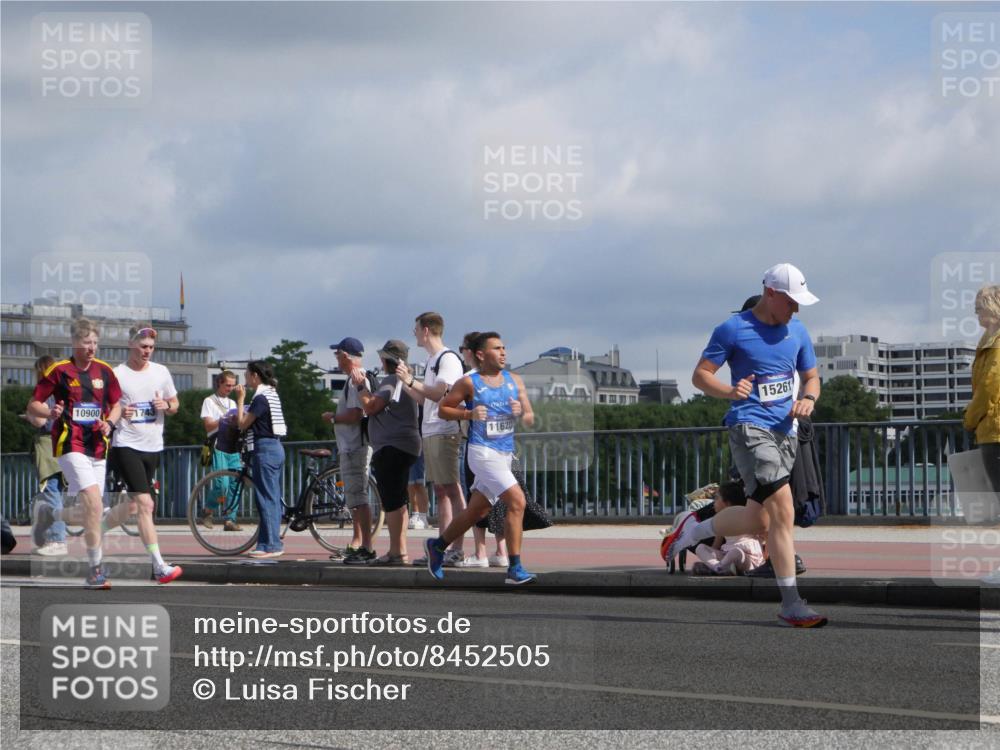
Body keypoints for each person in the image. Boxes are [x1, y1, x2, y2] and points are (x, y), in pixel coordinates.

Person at [665, 263, 827, 627]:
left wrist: (809, 399)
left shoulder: (797, 331)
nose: (796, 309)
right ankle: (792, 603)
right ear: (770, 293)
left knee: (760, 518)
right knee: (783, 509)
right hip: (749, 428)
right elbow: (700, 375)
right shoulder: (733, 329)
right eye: (791, 301)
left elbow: (812, 377)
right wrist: (729, 390)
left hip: (786, 431)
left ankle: (693, 529)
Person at [428, 332, 537, 584]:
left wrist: (522, 412)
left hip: (504, 454)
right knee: (517, 502)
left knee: (477, 510)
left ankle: (437, 546)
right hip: (481, 453)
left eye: (504, 347)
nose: (503, 352)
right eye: (497, 348)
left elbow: (530, 417)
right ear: (480, 354)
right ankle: (515, 568)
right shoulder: (469, 383)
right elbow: (443, 410)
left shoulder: (514, 380)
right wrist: (469, 414)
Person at [28, 317, 122, 588]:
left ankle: (51, 517)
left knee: (92, 510)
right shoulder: (59, 371)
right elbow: (33, 404)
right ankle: (96, 570)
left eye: (95, 342)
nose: (91, 347)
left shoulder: (105, 371)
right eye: (86, 342)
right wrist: (50, 411)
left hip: (98, 445)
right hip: (69, 444)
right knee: (93, 500)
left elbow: (116, 404)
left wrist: (111, 422)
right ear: (74, 342)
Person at [107, 325, 183, 584]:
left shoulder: (161, 372)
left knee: (133, 505)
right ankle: (159, 565)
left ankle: (97, 529)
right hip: (125, 445)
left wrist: (167, 406)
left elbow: (175, 403)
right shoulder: (117, 374)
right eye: (143, 346)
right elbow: (107, 406)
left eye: (151, 347)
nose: (147, 351)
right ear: (131, 344)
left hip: (153, 446)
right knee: (146, 505)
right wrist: (119, 414)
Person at [396, 312, 467, 566]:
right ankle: (443, 546)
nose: (413, 333)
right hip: (432, 429)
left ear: (426, 330)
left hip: (445, 430)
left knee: (451, 489)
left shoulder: (447, 360)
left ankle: (454, 549)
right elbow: (425, 399)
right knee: (442, 490)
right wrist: (406, 383)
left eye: (415, 329)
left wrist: (411, 380)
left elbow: (439, 394)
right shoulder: (432, 360)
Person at [356, 340, 421, 565]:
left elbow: (371, 406)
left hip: (392, 446)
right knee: (400, 500)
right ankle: (400, 548)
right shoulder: (408, 380)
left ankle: (396, 552)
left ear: (387, 359)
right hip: (408, 445)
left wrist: (360, 387)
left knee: (392, 502)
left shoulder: (392, 380)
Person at [454, 331, 509, 569]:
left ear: (472, 352)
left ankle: (480, 553)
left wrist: (466, 414)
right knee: (500, 498)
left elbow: (447, 406)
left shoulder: (469, 378)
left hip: (478, 445)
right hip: (502, 446)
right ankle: (502, 551)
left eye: (462, 349)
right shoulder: (504, 378)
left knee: (476, 499)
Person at [323, 337, 376, 564]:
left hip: (355, 446)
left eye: (338, 355)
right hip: (354, 445)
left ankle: (366, 546)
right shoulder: (354, 379)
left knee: (359, 498)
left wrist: (333, 418)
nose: (336, 359)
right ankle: (360, 544)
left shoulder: (356, 380)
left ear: (345, 356)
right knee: (355, 498)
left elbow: (356, 415)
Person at [234, 360, 287, 558]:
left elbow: (242, 424)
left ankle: (272, 545)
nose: (245, 378)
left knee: (266, 498)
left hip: (264, 449)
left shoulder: (260, 399)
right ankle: (265, 544)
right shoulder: (271, 394)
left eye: (247, 374)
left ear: (255, 376)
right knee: (269, 497)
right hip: (275, 447)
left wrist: (240, 400)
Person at [25, 355, 68, 556]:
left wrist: (31, 415)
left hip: (48, 448)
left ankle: (58, 540)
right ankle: (52, 538)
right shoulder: (66, 392)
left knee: (52, 494)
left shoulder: (43, 395)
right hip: (66, 447)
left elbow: (41, 423)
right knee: (58, 492)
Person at [965, 284, 1000, 499]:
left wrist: (970, 418)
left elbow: (990, 386)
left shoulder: (996, 344)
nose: (976, 312)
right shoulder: (988, 341)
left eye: (979, 307)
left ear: (993, 308)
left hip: (995, 430)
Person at [199, 370, 242, 531]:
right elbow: (208, 426)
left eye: (232, 385)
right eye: (227, 385)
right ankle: (208, 510)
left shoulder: (233, 403)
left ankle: (230, 520)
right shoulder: (209, 401)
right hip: (217, 445)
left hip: (233, 446)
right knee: (221, 483)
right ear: (219, 383)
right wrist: (225, 419)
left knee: (235, 484)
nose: (230, 388)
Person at [692, 481, 765, 575]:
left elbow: (762, 536)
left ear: (727, 503)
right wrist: (711, 557)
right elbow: (716, 547)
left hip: (748, 558)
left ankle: (719, 568)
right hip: (726, 555)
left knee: (735, 552)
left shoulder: (746, 516)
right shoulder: (721, 521)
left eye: (717, 498)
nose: (714, 502)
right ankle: (717, 567)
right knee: (700, 548)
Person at [407, 455, 431, 530]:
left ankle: (422, 517)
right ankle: (416, 515)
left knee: (418, 482)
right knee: (410, 483)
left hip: (417, 447)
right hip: (406, 448)